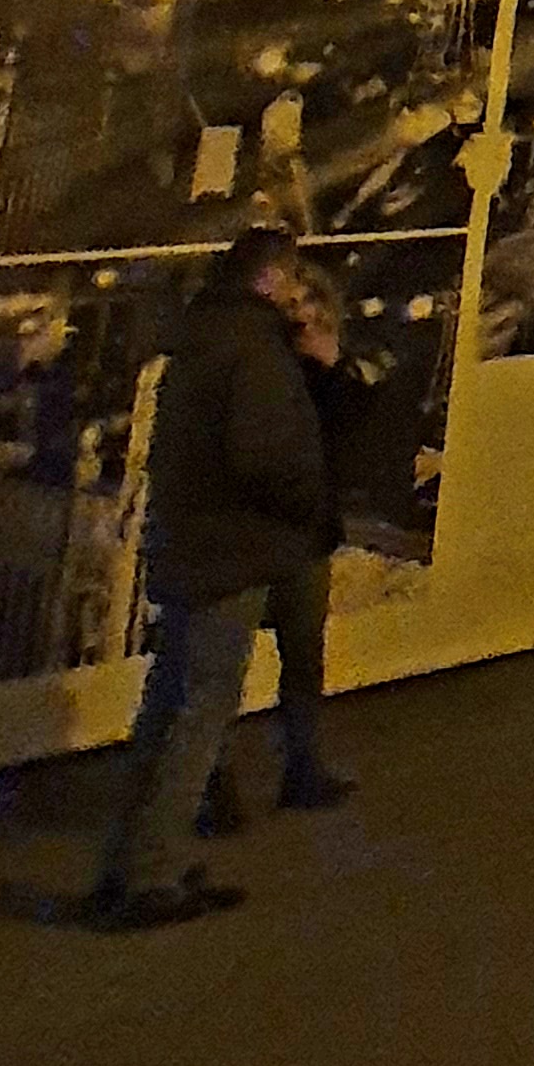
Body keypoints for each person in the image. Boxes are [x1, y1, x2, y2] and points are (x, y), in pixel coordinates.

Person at [84, 227, 335, 927]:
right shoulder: (253, 348)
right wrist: (307, 501)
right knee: (198, 715)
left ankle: (131, 865)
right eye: (291, 278)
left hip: (193, 545)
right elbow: (265, 456)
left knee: (168, 711)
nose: (296, 292)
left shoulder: (204, 334)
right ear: (270, 278)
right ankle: (149, 880)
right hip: (229, 552)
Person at [200, 255, 366, 830]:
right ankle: (211, 783)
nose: (301, 313)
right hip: (252, 536)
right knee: (224, 665)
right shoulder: (253, 366)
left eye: (309, 301)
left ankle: (303, 768)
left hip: (305, 534)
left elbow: (351, 439)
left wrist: (332, 367)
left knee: (302, 657)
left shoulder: (322, 366)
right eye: (289, 303)